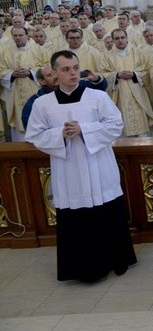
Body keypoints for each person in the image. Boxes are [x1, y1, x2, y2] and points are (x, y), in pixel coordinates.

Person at [26, 50, 135, 282]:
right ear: (54, 73)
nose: (73, 73)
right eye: (65, 69)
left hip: (98, 166)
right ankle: (82, 268)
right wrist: (60, 134)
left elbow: (116, 125)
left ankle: (118, 260)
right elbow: (34, 135)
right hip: (69, 171)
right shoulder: (42, 104)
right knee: (78, 219)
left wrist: (84, 130)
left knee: (106, 212)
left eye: (75, 68)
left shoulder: (97, 97)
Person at [0, 26, 49, 140]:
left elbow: (48, 68)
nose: (18, 38)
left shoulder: (39, 50)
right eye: (15, 36)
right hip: (15, 95)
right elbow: (1, 69)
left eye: (21, 35)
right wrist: (11, 74)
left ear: (27, 35)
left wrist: (31, 72)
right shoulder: (5, 52)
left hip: (35, 91)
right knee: (19, 133)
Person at [22, 64, 107, 129]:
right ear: (42, 81)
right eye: (50, 75)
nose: (55, 76)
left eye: (56, 73)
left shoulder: (76, 86)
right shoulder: (35, 101)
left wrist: (96, 79)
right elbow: (31, 126)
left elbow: (100, 87)